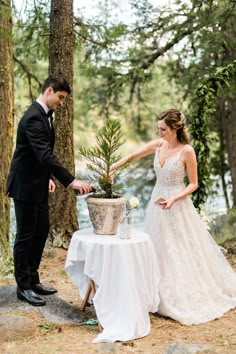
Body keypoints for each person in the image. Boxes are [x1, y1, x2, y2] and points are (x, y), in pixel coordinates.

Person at [112, 108, 236, 325]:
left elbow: (194, 184)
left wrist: (174, 199)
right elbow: (133, 156)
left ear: (174, 129)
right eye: (158, 128)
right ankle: (153, 291)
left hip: (176, 204)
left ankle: (180, 294)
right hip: (156, 202)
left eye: (163, 129)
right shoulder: (159, 145)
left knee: (179, 248)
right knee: (156, 245)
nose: (159, 132)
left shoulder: (187, 151)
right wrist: (114, 166)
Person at [6, 74, 93, 307]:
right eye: (60, 97)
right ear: (49, 91)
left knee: (41, 230)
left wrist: (47, 178)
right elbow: (44, 154)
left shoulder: (45, 115)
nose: (61, 103)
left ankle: (33, 280)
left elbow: (38, 155)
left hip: (38, 183)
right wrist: (70, 181)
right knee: (25, 236)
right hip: (24, 185)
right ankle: (23, 287)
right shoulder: (33, 117)